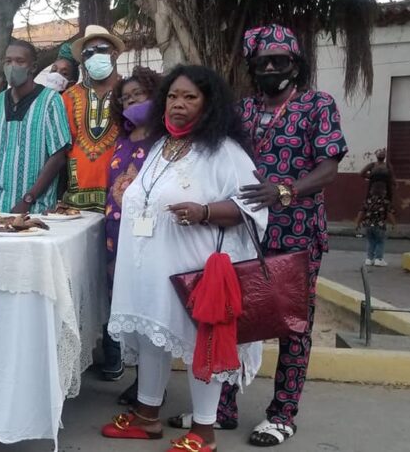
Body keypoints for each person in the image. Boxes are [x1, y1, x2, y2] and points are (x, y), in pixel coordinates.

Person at [196, 24, 347, 447]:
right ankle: (221, 408)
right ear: (253, 67)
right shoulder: (241, 111)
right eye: (263, 63)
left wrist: (286, 190)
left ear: (296, 65)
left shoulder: (317, 105)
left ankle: (282, 414)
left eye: (280, 61)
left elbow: (329, 167)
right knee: (233, 317)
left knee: (293, 325)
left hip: (297, 233)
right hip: (243, 232)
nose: (272, 68)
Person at [101, 65, 267, 452]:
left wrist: (206, 212)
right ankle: (146, 417)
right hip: (150, 265)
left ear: (209, 104)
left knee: (199, 342)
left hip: (195, 268)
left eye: (190, 97)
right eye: (173, 96)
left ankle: (204, 431)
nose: (178, 104)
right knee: (150, 336)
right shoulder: (162, 145)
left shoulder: (224, 150)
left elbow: (254, 205)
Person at [103, 66, 162, 387]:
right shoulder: (122, 139)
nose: (132, 102)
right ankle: (140, 382)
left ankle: (152, 387)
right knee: (124, 304)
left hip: (148, 236)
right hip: (116, 235)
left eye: (139, 95)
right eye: (125, 99)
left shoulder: (165, 140)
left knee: (147, 307)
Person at [0, 39, 71, 214]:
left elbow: (58, 156)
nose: (13, 66)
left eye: (20, 61)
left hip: (36, 207)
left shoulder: (51, 99)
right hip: (1, 205)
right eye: (8, 61)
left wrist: (28, 199)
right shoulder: (0, 99)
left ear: (33, 67)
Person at [62, 25, 125, 211]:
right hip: (77, 193)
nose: (94, 56)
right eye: (88, 53)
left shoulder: (130, 92)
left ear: (114, 54)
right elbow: (63, 146)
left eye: (101, 50)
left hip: (120, 190)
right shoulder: (69, 96)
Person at [355, 181, 395, 267]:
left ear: (371, 191)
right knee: (380, 242)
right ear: (384, 192)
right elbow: (389, 214)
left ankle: (369, 259)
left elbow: (361, 212)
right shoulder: (385, 202)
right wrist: (393, 224)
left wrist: (357, 223)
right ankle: (378, 259)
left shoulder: (367, 201)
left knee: (371, 241)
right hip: (380, 226)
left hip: (368, 225)